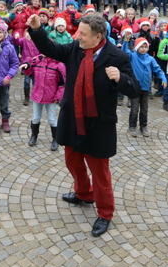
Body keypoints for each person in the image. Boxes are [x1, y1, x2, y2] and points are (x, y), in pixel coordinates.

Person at [27, 12, 138, 237]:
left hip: (99, 125)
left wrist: (120, 78)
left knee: (100, 172)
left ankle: (105, 213)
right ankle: (84, 193)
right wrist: (37, 30)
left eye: (83, 34)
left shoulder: (117, 57)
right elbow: (51, 49)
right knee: (72, 162)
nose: (78, 37)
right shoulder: (75, 49)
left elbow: (135, 88)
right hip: (73, 118)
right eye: (78, 32)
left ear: (98, 36)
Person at [122, 36, 167, 137]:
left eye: (145, 47)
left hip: (146, 88)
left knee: (144, 109)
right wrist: (125, 41)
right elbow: (124, 52)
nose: (143, 49)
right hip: (135, 87)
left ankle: (143, 126)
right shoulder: (132, 56)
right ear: (137, 47)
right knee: (134, 108)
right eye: (141, 46)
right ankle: (132, 127)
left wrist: (163, 78)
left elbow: (157, 70)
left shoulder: (150, 59)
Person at [20, 53, 66, 150]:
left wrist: (58, 97)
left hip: (51, 98)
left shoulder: (58, 65)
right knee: (35, 118)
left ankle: (55, 139)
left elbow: (62, 84)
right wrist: (26, 66)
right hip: (37, 95)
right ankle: (34, 136)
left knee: (52, 119)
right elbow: (29, 71)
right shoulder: (37, 60)